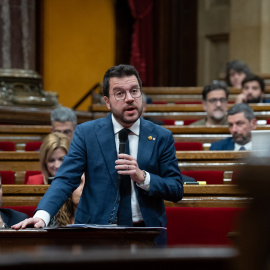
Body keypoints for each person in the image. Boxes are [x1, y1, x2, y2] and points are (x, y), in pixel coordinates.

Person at [12, 64, 184, 245]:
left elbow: (176, 188)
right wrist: (42, 215)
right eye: (120, 93)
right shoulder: (87, 133)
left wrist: (143, 178)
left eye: (134, 91)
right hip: (97, 234)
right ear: (107, 101)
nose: (130, 99)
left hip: (147, 235)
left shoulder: (161, 136)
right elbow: (65, 178)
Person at [27, 132, 85, 226]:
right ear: (44, 162)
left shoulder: (78, 183)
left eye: (62, 159)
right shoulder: (34, 181)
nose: (57, 165)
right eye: (51, 160)